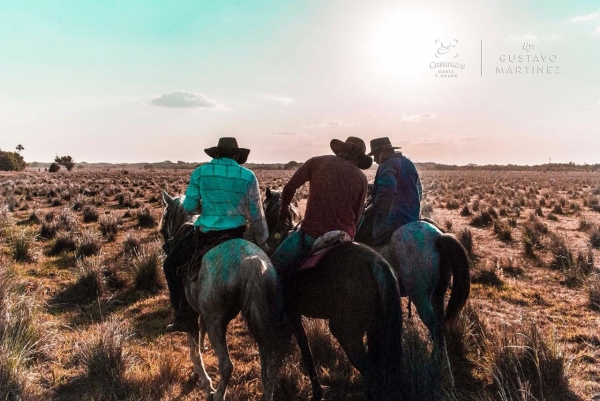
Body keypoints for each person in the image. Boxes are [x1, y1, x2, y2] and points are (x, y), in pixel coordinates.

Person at [163, 137, 269, 333]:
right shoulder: (248, 176)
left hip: (206, 235)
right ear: (237, 155)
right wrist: (263, 242)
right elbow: (256, 214)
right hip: (237, 236)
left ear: (216, 153)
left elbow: (189, 207)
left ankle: (183, 317)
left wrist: (207, 206)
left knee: (170, 265)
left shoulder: (201, 172)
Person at [272, 136, 372, 324]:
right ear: (359, 158)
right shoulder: (362, 178)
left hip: (311, 234)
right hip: (344, 238)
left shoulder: (318, 162)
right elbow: (357, 216)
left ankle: (279, 319)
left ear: (341, 150)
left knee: (275, 265)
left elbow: (289, 188)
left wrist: (284, 210)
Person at [356, 137, 422, 246]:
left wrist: (373, 208)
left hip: (391, 221)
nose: (376, 160)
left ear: (383, 153)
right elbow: (419, 189)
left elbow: (387, 190)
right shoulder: (409, 163)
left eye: (376, 155)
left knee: (361, 238)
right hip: (412, 218)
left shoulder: (386, 165)